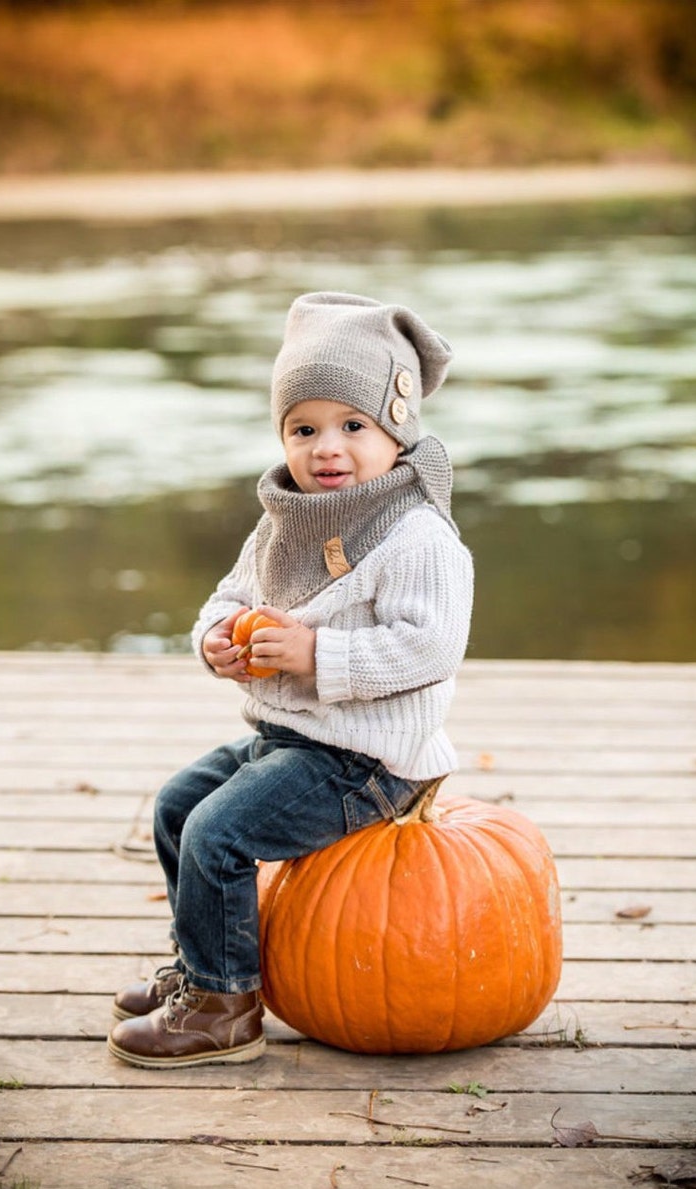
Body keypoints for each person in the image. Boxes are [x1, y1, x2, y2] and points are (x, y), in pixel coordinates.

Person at [107, 291, 474, 1068]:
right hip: (292, 739)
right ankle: (201, 967)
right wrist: (218, 642)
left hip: (367, 761)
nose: (326, 448)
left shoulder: (417, 534)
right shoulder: (285, 519)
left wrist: (317, 656)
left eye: (352, 426)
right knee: (180, 805)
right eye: (303, 429)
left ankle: (224, 1008)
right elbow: (230, 598)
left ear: (396, 431)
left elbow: (429, 647)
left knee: (221, 830)